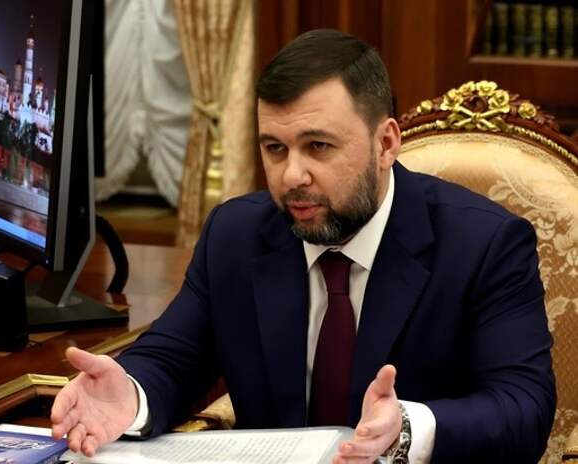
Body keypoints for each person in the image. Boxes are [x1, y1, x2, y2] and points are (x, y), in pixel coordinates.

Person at [50, 29, 555, 463]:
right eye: (275, 148)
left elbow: (522, 408)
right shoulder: (236, 234)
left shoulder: (482, 244)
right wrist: (130, 394)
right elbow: (175, 358)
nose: (292, 176)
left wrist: (406, 427)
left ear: (385, 143)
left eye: (318, 146)